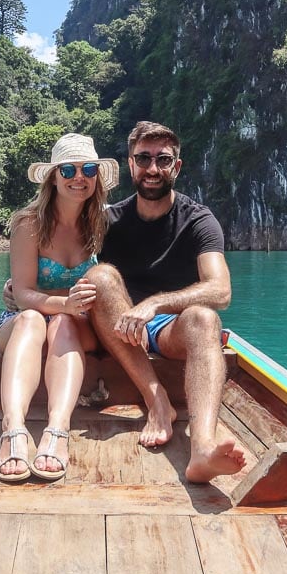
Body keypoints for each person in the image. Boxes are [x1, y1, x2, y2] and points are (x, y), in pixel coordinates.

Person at [82, 120, 246, 484]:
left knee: (204, 318)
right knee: (100, 277)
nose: (153, 169)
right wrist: (20, 288)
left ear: (177, 166)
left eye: (163, 160)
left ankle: (202, 448)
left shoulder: (199, 220)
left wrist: (154, 305)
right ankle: (157, 401)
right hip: (119, 325)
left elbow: (220, 290)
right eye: (143, 158)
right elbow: (66, 266)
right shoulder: (108, 221)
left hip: (170, 326)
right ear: (130, 164)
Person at [0, 133, 119, 483]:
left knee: (63, 323)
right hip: (23, 322)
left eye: (88, 169)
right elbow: (25, 293)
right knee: (32, 319)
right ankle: (12, 429)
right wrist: (65, 303)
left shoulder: (102, 225)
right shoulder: (29, 225)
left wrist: (69, 310)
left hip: (73, 328)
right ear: (53, 177)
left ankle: (57, 431)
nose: (79, 177)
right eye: (69, 169)